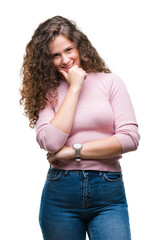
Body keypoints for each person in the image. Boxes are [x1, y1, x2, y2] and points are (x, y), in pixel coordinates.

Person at [20, 15, 140, 240]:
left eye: (68, 49)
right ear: (47, 60)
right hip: (60, 196)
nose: (65, 59)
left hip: (108, 194)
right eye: (56, 55)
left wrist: (74, 152)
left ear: (79, 46)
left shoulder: (110, 82)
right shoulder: (49, 93)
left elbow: (129, 139)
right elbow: (51, 142)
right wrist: (74, 87)